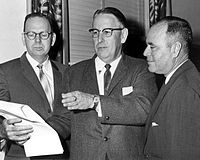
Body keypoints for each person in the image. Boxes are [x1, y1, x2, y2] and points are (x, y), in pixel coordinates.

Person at [60, 7, 157, 160]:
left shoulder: (141, 69)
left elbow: (144, 109)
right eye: (95, 32)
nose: (100, 39)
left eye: (107, 32)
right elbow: (64, 118)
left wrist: (95, 102)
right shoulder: (73, 72)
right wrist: (33, 130)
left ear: (123, 35)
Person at [0, 12, 69, 160]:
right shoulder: (5, 72)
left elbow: (72, 116)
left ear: (53, 39)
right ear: (23, 38)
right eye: (31, 34)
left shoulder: (68, 73)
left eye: (43, 34)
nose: (37, 40)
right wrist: (3, 131)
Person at [143, 16, 200, 159]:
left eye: (152, 47)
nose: (145, 53)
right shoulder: (175, 80)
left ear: (175, 49)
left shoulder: (185, 90)